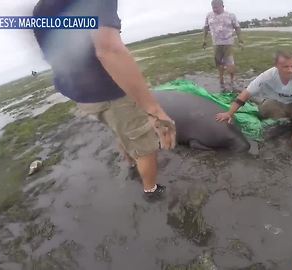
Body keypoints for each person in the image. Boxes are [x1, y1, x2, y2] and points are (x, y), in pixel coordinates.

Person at [32, 0, 176, 202]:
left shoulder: (41, 8)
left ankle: (130, 163)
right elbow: (109, 49)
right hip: (110, 91)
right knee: (145, 145)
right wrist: (154, 109)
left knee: (119, 128)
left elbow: (50, 54)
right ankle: (151, 190)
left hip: (80, 94)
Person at [215, 50, 292, 147]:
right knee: (264, 110)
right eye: (286, 67)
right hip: (284, 102)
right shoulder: (268, 75)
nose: (291, 70)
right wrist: (229, 113)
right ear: (276, 66)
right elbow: (246, 94)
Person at [203, 0, 244, 90]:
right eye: (213, 7)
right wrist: (204, 40)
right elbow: (206, 27)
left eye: (216, 7)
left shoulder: (230, 15)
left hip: (228, 43)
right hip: (216, 44)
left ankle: (232, 80)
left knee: (230, 63)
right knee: (219, 63)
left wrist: (240, 40)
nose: (214, 9)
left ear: (222, 6)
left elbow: (237, 27)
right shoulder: (209, 15)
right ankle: (221, 80)